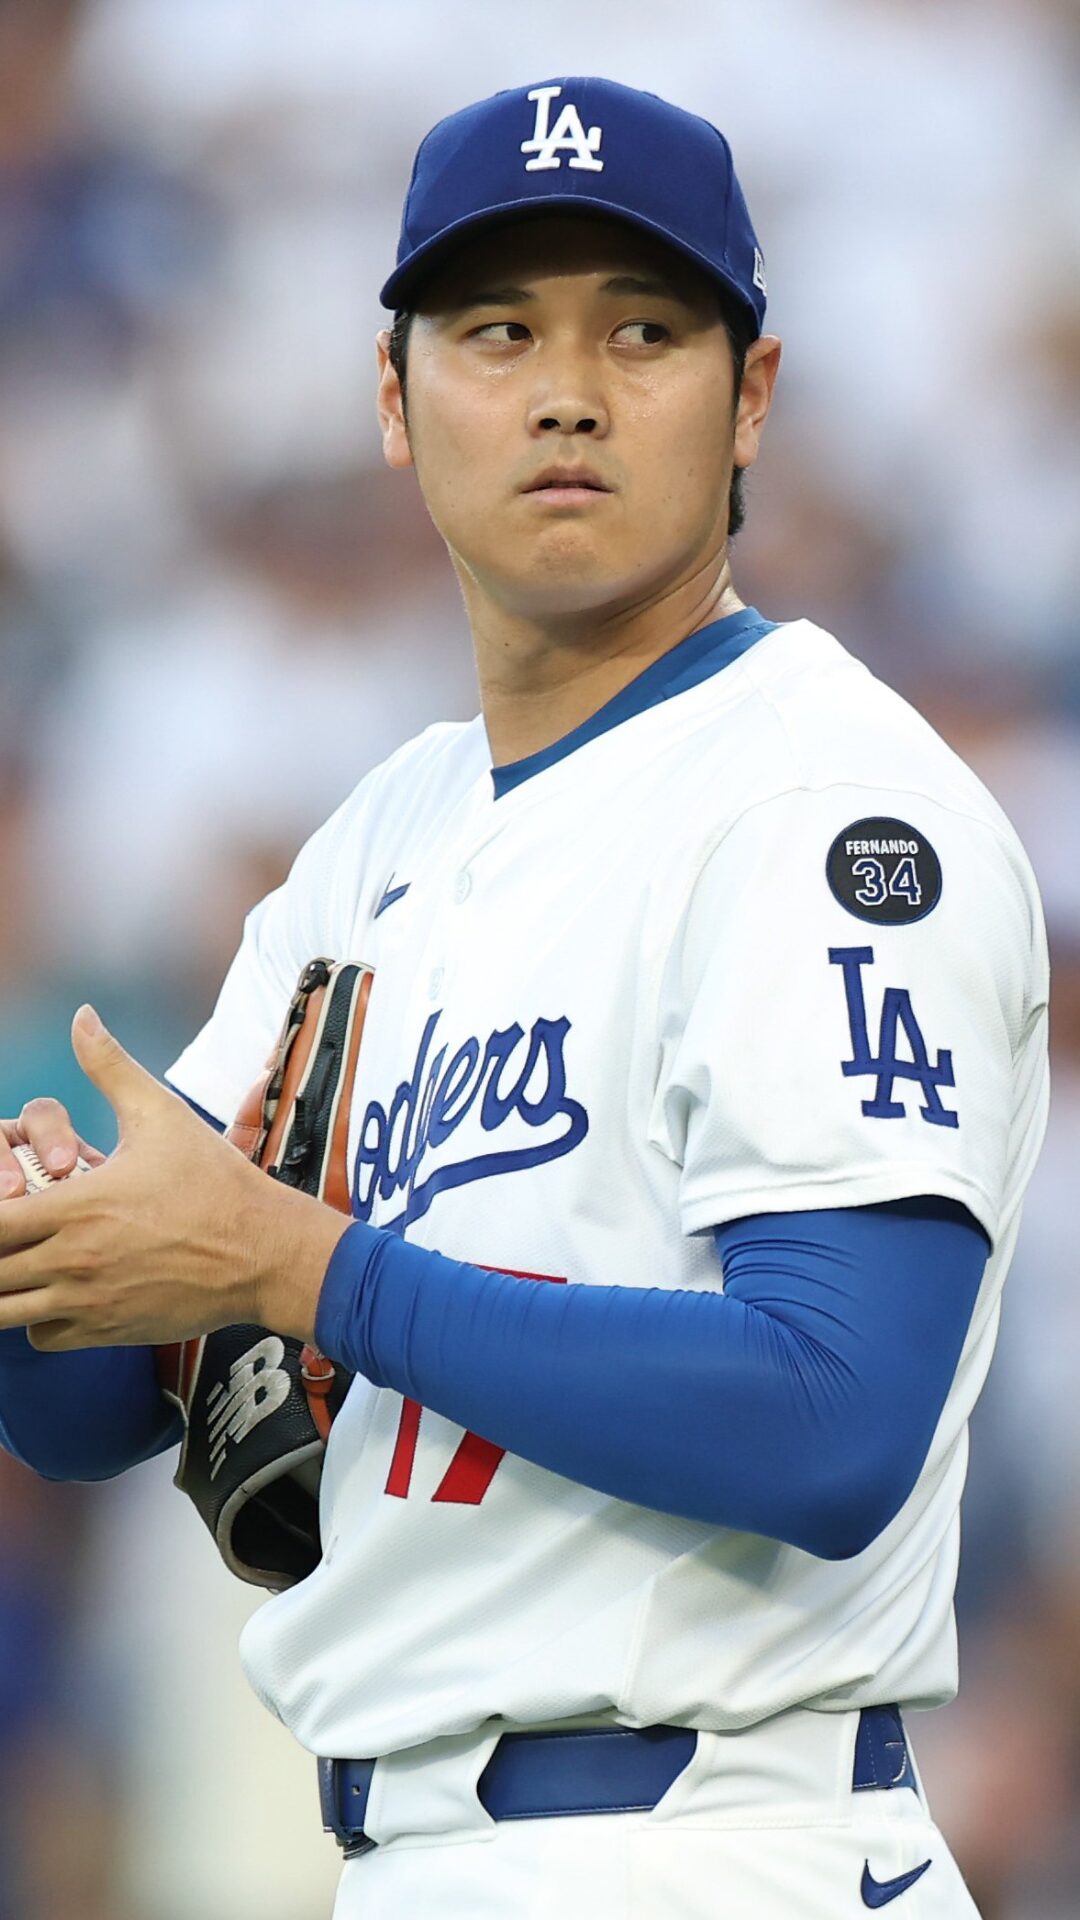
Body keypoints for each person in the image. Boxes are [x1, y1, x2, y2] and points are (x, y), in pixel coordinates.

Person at [0, 77, 1049, 1920]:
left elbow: (833, 1420)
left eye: (642, 332)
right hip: (411, 1851)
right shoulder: (377, 843)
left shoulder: (826, 808)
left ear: (754, 396)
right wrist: (38, 1254)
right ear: (394, 401)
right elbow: (90, 1407)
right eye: (498, 332)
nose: (569, 392)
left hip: (722, 1839)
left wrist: (306, 1270)